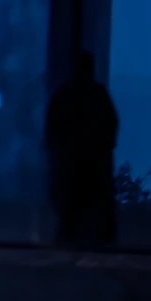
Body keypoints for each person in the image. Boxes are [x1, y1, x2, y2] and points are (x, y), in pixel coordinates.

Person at [44, 51, 119, 247]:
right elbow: (110, 125)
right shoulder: (96, 94)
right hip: (88, 163)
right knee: (86, 208)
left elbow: (53, 128)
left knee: (71, 210)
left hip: (73, 162)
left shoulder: (65, 94)